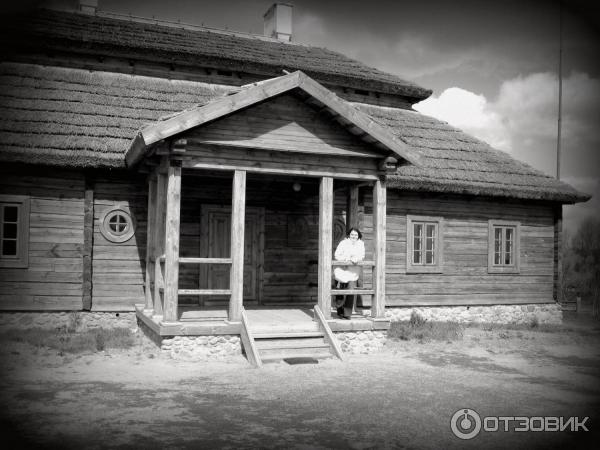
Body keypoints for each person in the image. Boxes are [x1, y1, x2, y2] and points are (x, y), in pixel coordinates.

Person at [333, 228, 365, 319]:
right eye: (352, 234)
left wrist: (355, 258)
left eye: (355, 235)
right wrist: (346, 258)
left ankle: (347, 314)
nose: (354, 236)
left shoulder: (361, 244)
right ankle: (340, 311)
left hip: (353, 272)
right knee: (340, 292)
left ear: (358, 236)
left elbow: (361, 256)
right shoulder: (343, 243)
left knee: (350, 292)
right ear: (349, 235)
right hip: (341, 270)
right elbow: (337, 255)